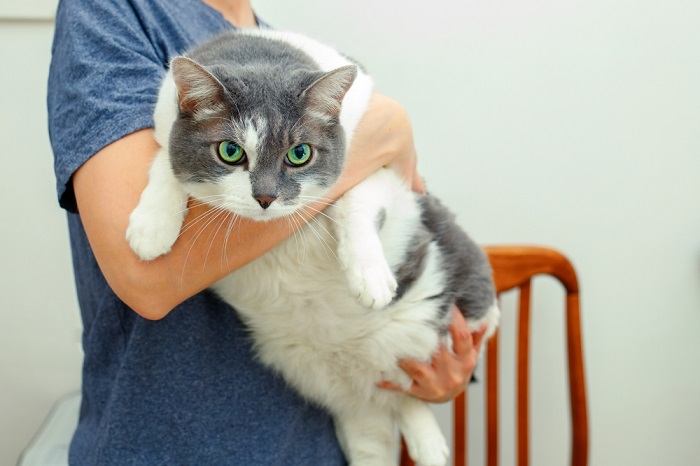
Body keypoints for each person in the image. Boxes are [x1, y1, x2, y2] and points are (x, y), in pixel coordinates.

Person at [48, 0, 486, 464]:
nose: (265, 198)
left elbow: (408, 205)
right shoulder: (113, 12)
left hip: (318, 434)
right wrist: (383, 127)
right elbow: (145, 276)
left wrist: (433, 364)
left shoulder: (292, 52)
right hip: (171, 445)